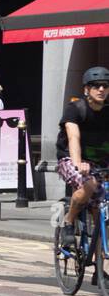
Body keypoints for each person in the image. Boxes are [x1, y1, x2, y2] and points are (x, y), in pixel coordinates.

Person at [57, 66, 109, 248]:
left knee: (99, 209)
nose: (101, 89)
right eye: (95, 85)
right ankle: (68, 222)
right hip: (70, 159)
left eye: (105, 85)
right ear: (86, 89)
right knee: (90, 184)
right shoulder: (76, 108)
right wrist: (78, 163)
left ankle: (98, 270)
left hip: (100, 163)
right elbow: (73, 136)